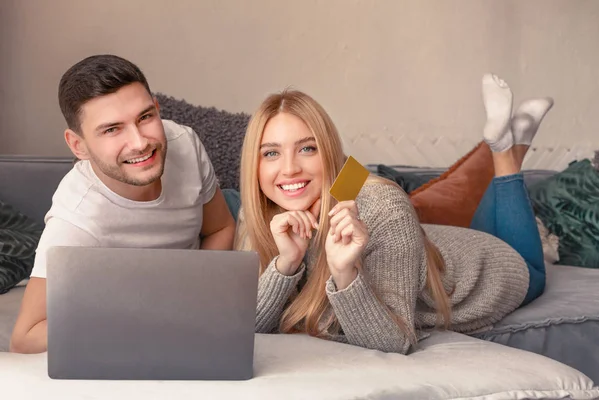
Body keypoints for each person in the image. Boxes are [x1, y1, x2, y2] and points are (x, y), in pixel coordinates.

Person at [234, 75, 554, 354]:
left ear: (329, 152)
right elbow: (245, 327)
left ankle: (505, 153)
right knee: (479, 226)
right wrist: (285, 264)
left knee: (531, 270)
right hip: (436, 243)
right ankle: (514, 139)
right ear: (255, 164)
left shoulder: (378, 203)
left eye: (307, 148)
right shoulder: (259, 212)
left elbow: (392, 342)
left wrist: (345, 273)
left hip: (487, 270)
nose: (288, 168)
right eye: (271, 153)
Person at [10, 55, 236, 354]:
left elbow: (221, 227)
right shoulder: (76, 220)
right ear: (78, 145)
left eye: (145, 117)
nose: (140, 142)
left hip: (193, 286)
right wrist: (143, 316)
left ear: (157, 108)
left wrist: (189, 297)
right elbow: (25, 338)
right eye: (112, 129)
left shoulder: (183, 141)